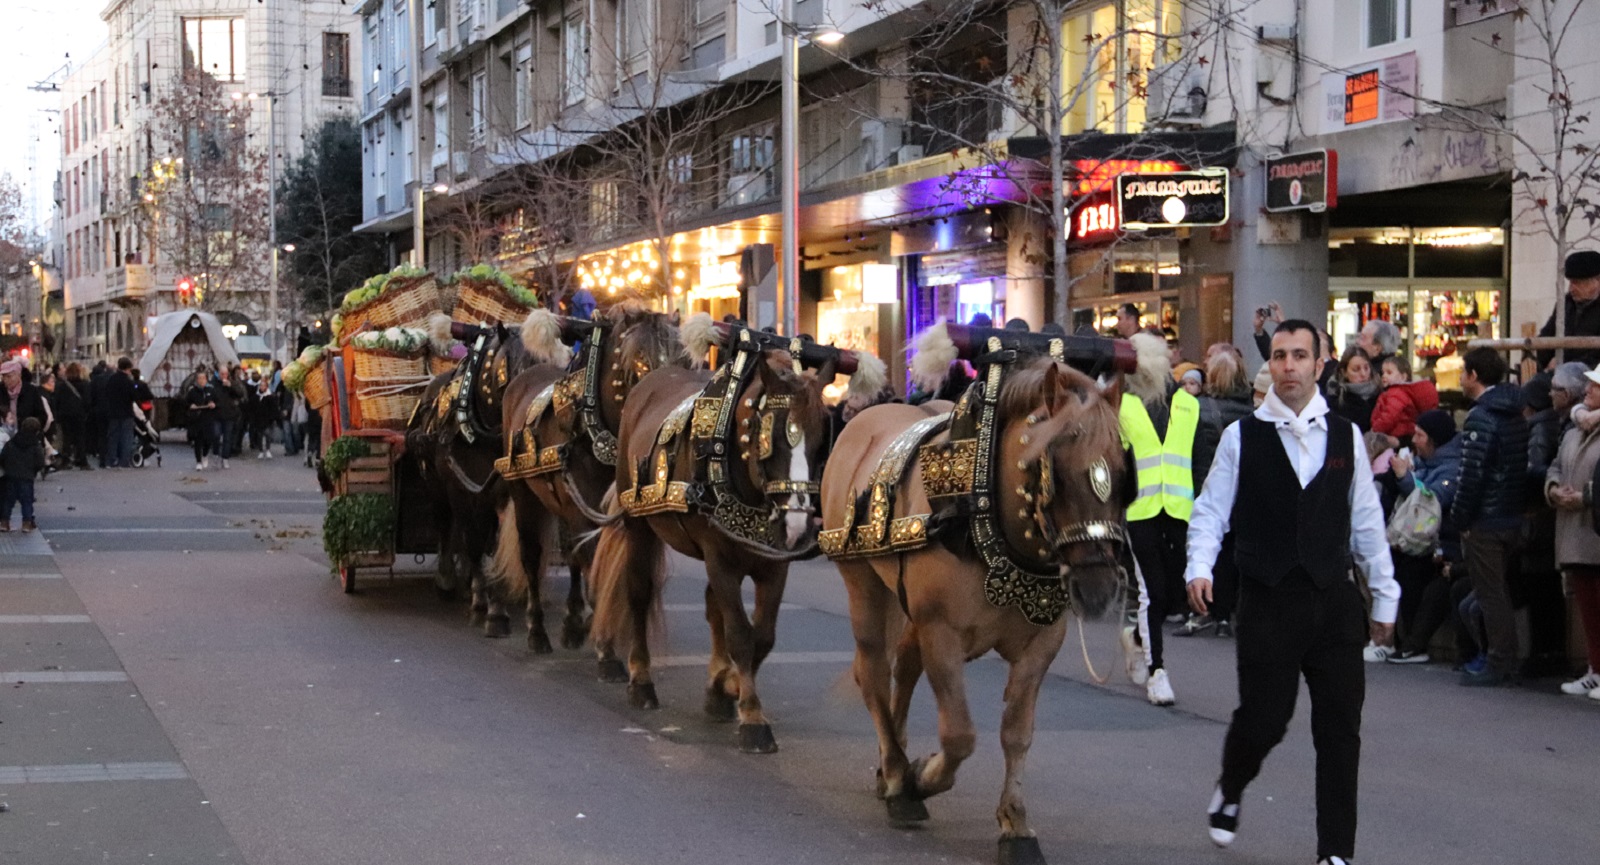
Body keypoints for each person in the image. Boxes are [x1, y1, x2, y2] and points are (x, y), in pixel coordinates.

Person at [1185, 319, 1397, 865]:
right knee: (1264, 718)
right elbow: (1210, 511)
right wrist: (1198, 568)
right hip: (1267, 600)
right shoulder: (1241, 437)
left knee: (1340, 732)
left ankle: (1335, 852)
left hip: (1333, 601)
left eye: (1299, 356)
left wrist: (1385, 595)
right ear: (1270, 366)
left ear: (1319, 364)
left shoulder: (1347, 435)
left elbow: (1367, 523)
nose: (1288, 366)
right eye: (1279, 356)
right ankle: (1231, 785)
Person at [1119, 331, 1198, 706]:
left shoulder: (1190, 405)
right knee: (1152, 591)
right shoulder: (1122, 406)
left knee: (1170, 594)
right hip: (1141, 510)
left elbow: (1199, 458)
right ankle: (1157, 672)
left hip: (1180, 509)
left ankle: (1136, 638)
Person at [1453, 347, 1529, 686]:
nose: (1459, 378)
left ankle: (1499, 661)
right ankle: (1504, 658)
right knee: (1499, 591)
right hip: (1512, 512)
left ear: (1473, 375)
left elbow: (1472, 473)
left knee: (1490, 593)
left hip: (1486, 516)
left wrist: (1460, 518)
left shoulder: (1481, 416)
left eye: (1462, 371)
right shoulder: (1514, 410)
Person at [1377, 410, 1465, 664]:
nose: (1414, 440)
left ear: (1434, 439)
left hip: (1443, 543)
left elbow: (1431, 501)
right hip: (1423, 540)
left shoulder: (1451, 467)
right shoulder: (1426, 461)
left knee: (1415, 573)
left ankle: (1413, 644)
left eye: (1420, 435)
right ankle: (1392, 639)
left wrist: (1405, 477)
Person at [1179, 348, 1255, 638]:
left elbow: (1193, 452)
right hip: (1243, 490)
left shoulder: (1200, 409)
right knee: (1233, 553)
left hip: (1207, 484)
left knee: (1210, 546)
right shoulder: (1253, 413)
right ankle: (1226, 615)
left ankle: (1205, 606)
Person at [1536, 249, 1600, 369]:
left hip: (1592, 372)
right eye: (1570, 283)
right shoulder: (1566, 304)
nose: (1572, 288)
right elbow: (1548, 335)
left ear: (1597, 281)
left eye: (1578, 283)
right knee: (1533, 386)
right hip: (1561, 369)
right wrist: (1534, 361)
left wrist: (1564, 363)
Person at [1369, 355, 1438, 439]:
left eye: (1389, 372)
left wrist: (1375, 429)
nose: (1384, 376)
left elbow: (1390, 416)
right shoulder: (1397, 392)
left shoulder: (1396, 393)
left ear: (1403, 377)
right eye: (1383, 373)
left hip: (1397, 435)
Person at [0, 416, 47, 533]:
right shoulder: (35, 445)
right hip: (26, 477)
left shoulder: (12, 442)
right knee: (27, 501)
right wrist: (33, 471)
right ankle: (26, 523)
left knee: (8, 501)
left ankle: (4, 522)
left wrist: (8, 468)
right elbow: (40, 462)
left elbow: (3, 457)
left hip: (11, 476)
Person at [1330, 348, 1378, 432]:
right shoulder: (1335, 401)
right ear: (1344, 372)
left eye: (1366, 368)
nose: (1363, 374)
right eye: (1356, 369)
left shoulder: (1381, 396)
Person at [102, 357, 138, 468]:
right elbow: (134, 396)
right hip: (126, 412)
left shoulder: (111, 379)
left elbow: (106, 394)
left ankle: (112, 460)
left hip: (113, 412)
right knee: (126, 437)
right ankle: (124, 461)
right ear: (127, 369)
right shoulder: (128, 381)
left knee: (113, 437)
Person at [1, 359, 50, 431]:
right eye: (4, 377)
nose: (6, 380)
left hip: (27, 436)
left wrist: (31, 428)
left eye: (9, 376)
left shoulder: (31, 391)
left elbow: (42, 416)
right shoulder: (1, 391)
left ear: (19, 375)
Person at [185, 369, 219, 470]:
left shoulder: (211, 390)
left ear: (206, 379)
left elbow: (217, 402)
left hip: (208, 419)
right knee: (197, 441)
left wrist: (214, 405)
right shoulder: (192, 391)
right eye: (199, 378)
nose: (201, 380)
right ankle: (198, 461)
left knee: (208, 440)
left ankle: (205, 454)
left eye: (203, 378)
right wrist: (191, 405)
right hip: (197, 419)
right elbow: (185, 403)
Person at [213, 365, 245, 468]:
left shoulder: (232, 383)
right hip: (216, 414)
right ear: (218, 373)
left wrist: (230, 386)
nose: (224, 376)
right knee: (216, 435)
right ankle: (216, 454)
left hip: (229, 415)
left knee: (228, 438)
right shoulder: (214, 383)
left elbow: (240, 393)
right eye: (222, 374)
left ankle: (225, 458)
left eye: (226, 374)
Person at [251, 376, 279, 459]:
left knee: (267, 434)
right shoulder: (256, 397)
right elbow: (252, 408)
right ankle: (260, 450)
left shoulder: (270, 397)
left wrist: (273, 418)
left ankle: (267, 449)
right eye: (261, 386)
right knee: (259, 435)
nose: (262, 387)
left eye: (264, 386)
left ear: (266, 387)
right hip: (258, 419)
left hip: (267, 419)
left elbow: (274, 409)